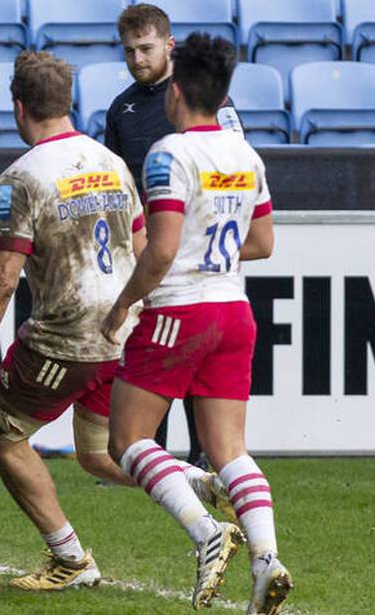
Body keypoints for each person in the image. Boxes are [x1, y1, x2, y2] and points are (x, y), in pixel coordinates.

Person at [0, 51, 232, 592]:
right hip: (126, 328)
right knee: (101, 454)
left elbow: (0, 281)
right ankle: (199, 483)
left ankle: (69, 558)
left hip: (66, 337)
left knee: (1, 433)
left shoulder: (19, 179)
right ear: (68, 102)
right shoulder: (112, 162)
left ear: (18, 107)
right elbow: (142, 248)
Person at [101, 33, 292, 614]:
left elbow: (158, 252)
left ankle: (209, 534)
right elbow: (262, 243)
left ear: (176, 91)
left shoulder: (168, 153)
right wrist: (213, 249)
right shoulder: (245, 154)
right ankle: (267, 559)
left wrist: (121, 305)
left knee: (127, 441)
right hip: (235, 311)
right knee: (230, 448)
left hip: (180, 310)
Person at [104, 3, 236, 464]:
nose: (137, 59)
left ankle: (203, 455)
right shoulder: (121, 109)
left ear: (169, 45)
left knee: (198, 360)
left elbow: (232, 165)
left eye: (146, 48)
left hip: (194, 251)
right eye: (129, 51)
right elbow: (115, 184)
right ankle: (148, 457)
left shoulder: (209, 102)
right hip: (146, 247)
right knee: (146, 355)